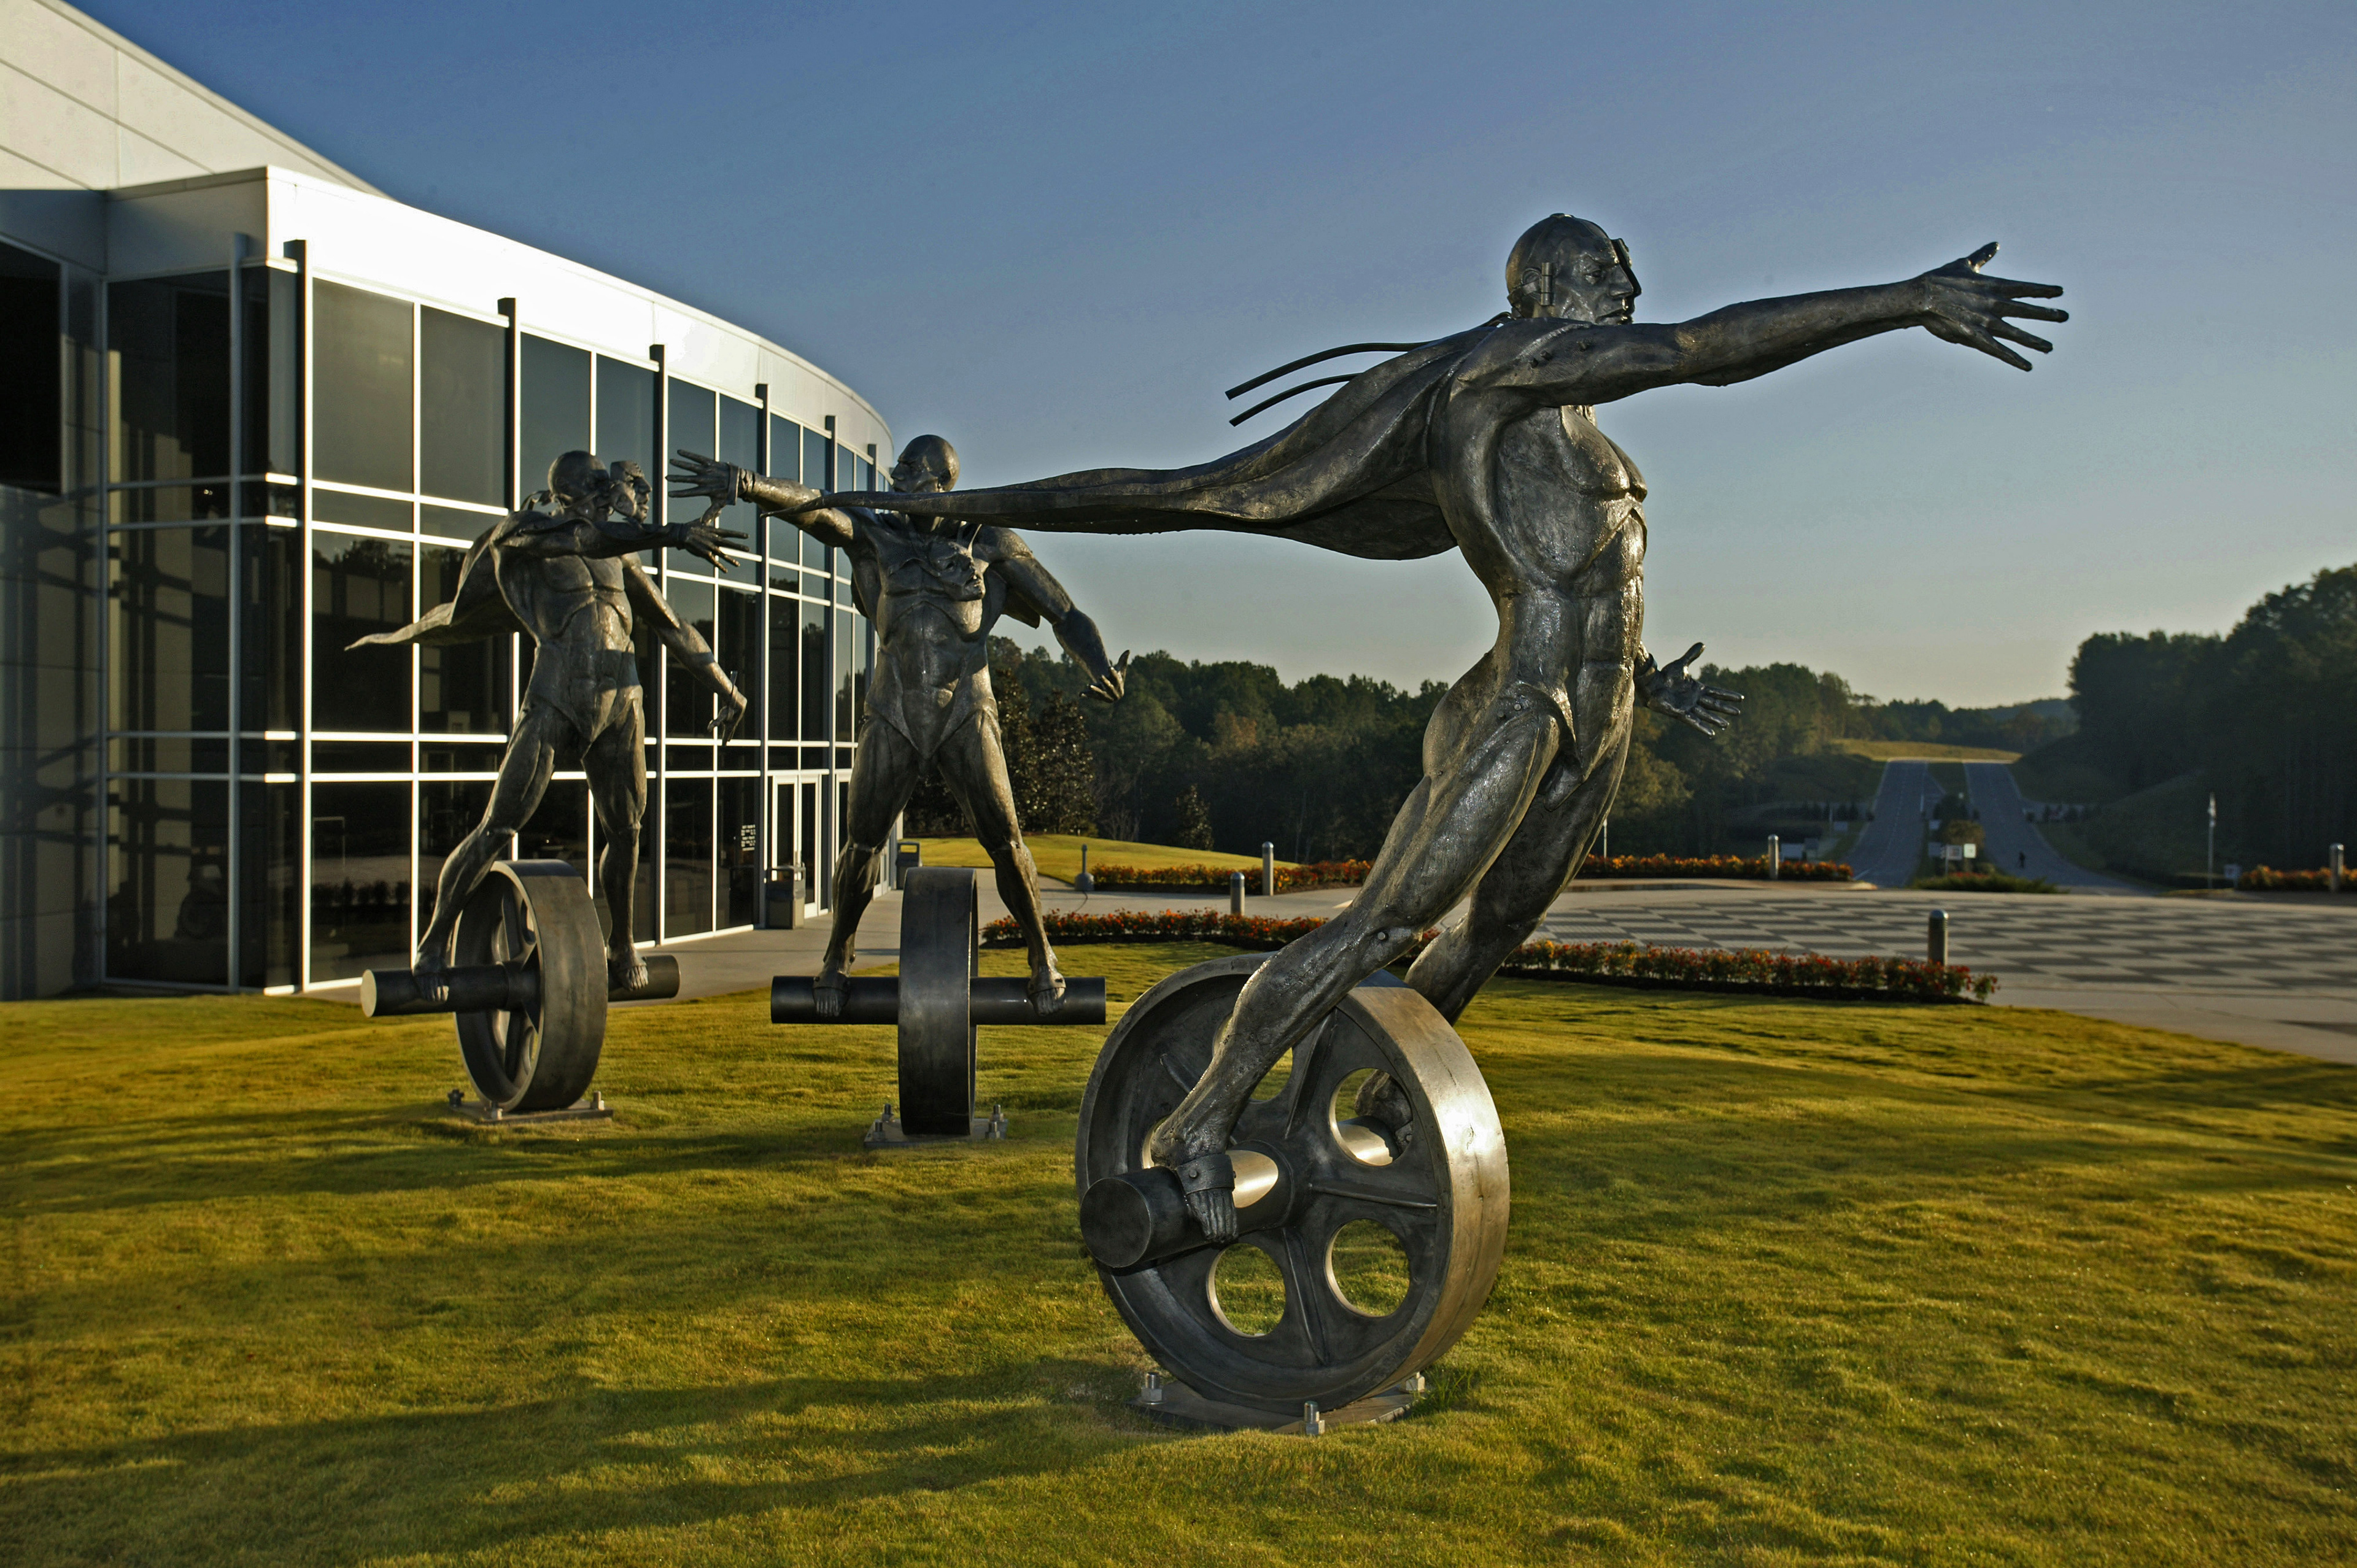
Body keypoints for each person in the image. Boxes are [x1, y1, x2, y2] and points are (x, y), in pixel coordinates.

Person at [802, 218, 2065, 1238]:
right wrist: (1900, 300)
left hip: (1600, 713)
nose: (1630, 278)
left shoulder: (1580, 430)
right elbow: (1703, 347)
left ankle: (1352, 1120)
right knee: (1386, 924)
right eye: (1607, 262)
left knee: (1488, 939)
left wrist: (1649, 684)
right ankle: (1197, 1120)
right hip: (1521, 704)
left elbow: (1595, 573)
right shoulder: (1501, 375)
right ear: (1552, 284)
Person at [669, 435, 1126, 1016]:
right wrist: (747, 482)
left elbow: (1067, 613)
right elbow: (813, 508)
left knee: (1007, 842)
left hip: (966, 708)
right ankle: (839, 953)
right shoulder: (877, 534)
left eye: (908, 471)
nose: (894, 478)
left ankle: (1042, 956)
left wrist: (1102, 666)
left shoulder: (991, 542)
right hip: (895, 709)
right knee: (861, 842)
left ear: (942, 483)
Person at [355, 452, 747, 997]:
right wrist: (676, 533)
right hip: (557, 696)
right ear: (571, 488)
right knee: (499, 825)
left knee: (628, 831)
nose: (612, 492)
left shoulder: (620, 558)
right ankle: (434, 940)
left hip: (620, 700)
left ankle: (623, 942)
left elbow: (674, 628)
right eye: (600, 484)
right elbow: (582, 539)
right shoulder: (524, 536)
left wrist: (728, 689)